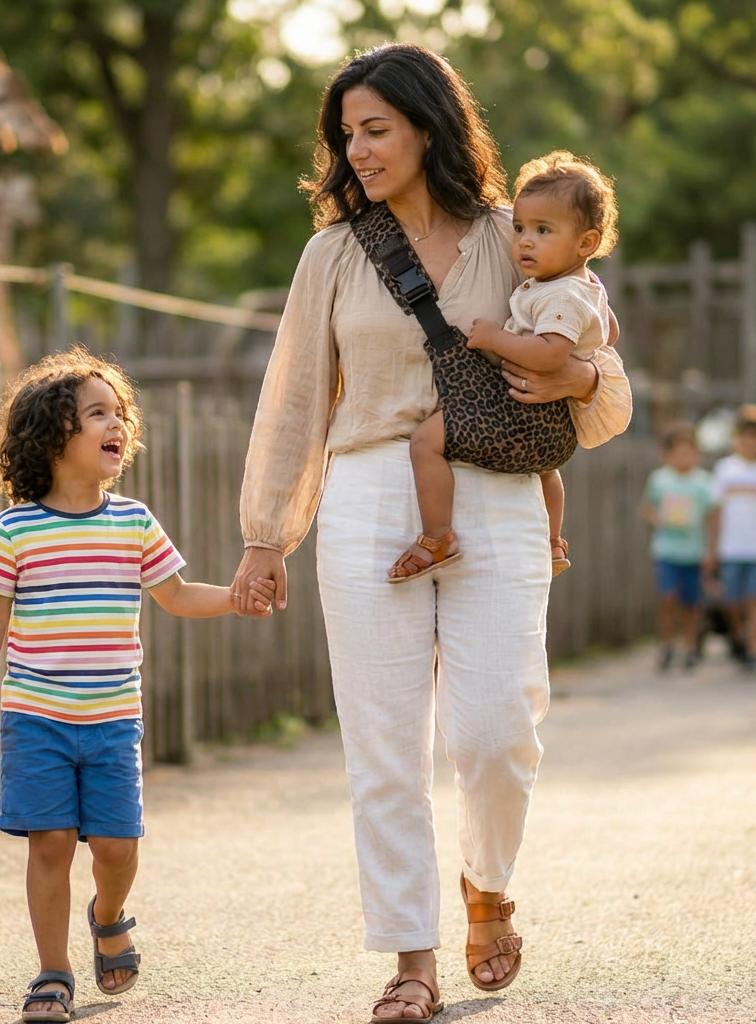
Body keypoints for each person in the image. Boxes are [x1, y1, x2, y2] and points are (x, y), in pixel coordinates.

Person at [231, 44, 632, 1021]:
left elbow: (603, 377)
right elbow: (292, 401)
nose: (357, 150)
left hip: (496, 489)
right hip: (369, 488)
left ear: (426, 125)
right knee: (383, 742)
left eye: (375, 129)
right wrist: (262, 535)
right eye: (345, 135)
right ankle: (412, 959)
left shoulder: (518, 236)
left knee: (500, 727)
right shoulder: (330, 253)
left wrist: (580, 378)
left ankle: (487, 886)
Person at [0, 349, 274, 1023]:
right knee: (48, 843)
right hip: (34, 716)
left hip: (111, 719)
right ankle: (53, 972)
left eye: (119, 413)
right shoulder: (17, 528)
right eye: (96, 412)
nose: (117, 424)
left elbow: (180, 594)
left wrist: (236, 598)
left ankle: (108, 915)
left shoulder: (132, 521)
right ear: (53, 437)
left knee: (116, 846)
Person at [393, 151, 619, 583]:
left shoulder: (563, 295)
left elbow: (552, 354)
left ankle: (436, 537)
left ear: (586, 244)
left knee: (425, 443)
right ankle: (553, 541)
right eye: (519, 228)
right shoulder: (582, 286)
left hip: (515, 404)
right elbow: (610, 333)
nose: (525, 241)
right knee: (546, 468)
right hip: (549, 418)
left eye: (542, 230)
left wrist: (498, 339)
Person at [641, 422, 713, 670]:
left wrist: (710, 551)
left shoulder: (703, 483)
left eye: (690, 452)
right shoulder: (660, 479)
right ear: (668, 455)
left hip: (693, 552)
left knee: (692, 602)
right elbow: (648, 506)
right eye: (679, 453)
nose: (685, 458)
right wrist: (656, 518)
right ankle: (666, 645)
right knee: (667, 598)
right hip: (667, 550)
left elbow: (710, 516)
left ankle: (691, 645)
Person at [706, 405, 756, 671]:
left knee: (753, 599)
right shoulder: (726, 469)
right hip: (731, 547)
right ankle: (738, 637)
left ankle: (752, 647)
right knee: (732, 600)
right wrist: (711, 549)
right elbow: (715, 511)